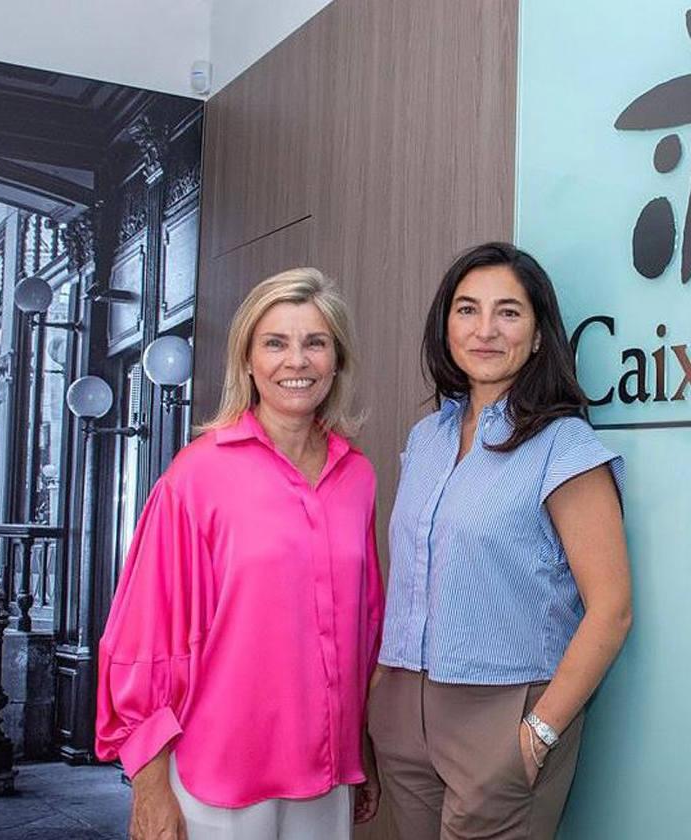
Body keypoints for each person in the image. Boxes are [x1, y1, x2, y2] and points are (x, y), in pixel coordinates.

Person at [96, 268, 384, 840]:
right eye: (275, 343)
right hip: (217, 775)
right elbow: (142, 639)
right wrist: (150, 786)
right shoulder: (198, 475)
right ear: (247, 360)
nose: (296, 361)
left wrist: (361, 748)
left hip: (325, 776)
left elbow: (364, 629)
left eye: (315, 343)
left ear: (337, 360)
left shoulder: (359, 477)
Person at [369, 242, 633, 839]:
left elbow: (611, 610)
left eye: (509, 312)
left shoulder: (563, 446)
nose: (485, 329)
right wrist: (379, 699)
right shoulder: (427, 437)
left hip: (504, 715)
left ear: (539, 335)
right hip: (402, 711)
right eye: (467, 310)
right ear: (446, 326)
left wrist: (537, 733)